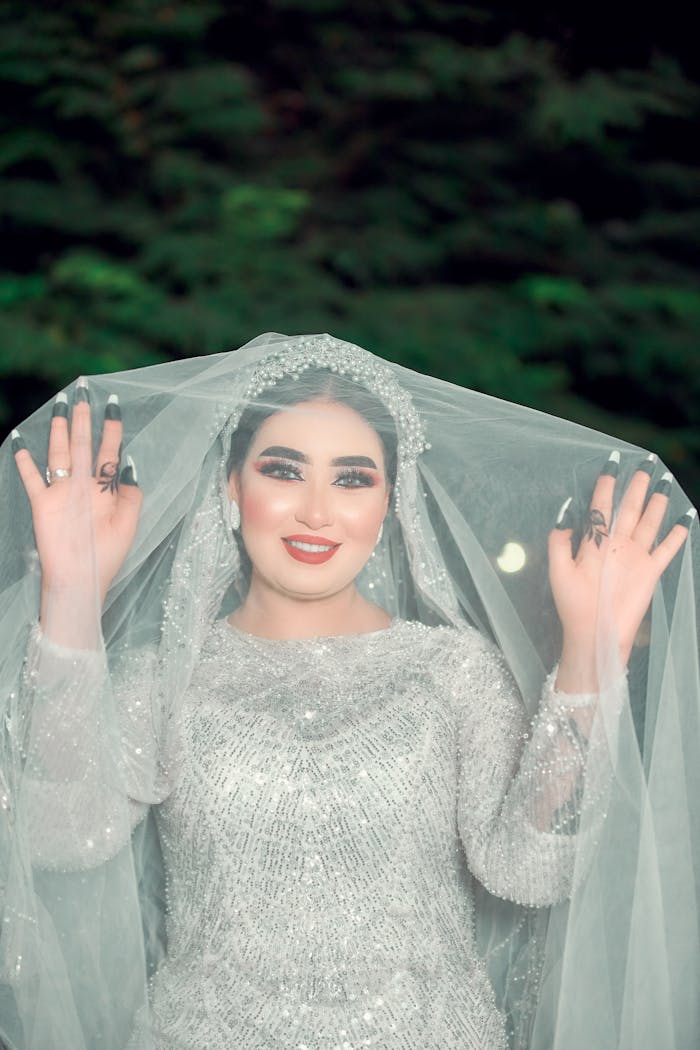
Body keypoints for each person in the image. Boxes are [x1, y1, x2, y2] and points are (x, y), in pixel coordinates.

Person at [0, 332, 698, 1050]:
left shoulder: (452, 672)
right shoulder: (167, 676)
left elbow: (529, 868)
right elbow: (65, 832)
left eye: (352, 478)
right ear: (230, 486)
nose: (316, 511)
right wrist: (71, 596)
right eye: (283, 469)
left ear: (391, 501)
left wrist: (592, 653)